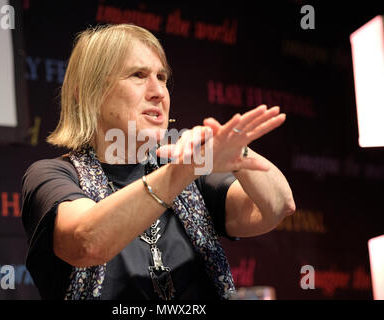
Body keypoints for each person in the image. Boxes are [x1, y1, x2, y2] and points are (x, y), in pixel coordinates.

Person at [21, 23, 295, 300]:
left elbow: (277, 207)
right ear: (89, 93)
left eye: (162, 77)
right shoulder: (53, 175)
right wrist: (185, 169)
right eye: (138, 75)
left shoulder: (191, 178)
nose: (159, 92)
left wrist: (237, 153)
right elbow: (86, 243)